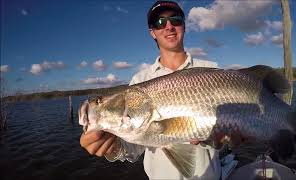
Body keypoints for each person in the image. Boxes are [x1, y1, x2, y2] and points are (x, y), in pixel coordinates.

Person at [80, 1, 237, 179]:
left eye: (175, 20)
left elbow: (230, 133)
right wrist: (112, 147)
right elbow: (133, 146)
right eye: (160, 23)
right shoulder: (139, 81)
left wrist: (229, 138)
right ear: (152, 32)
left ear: (184, 26)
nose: (169, 26)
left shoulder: (212, 71)